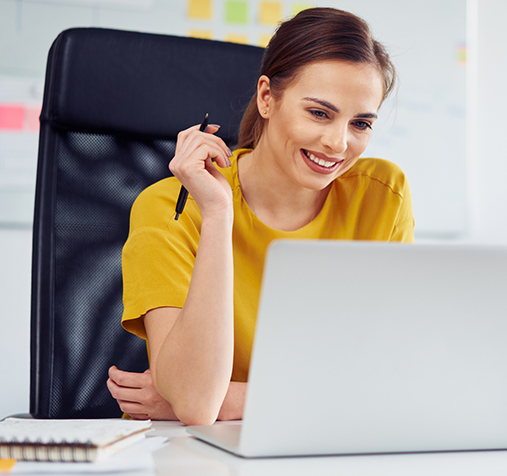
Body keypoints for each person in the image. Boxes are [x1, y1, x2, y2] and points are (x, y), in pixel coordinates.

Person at [106, 7, 414, 425]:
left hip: (322, 438)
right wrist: (218, 214)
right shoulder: (170, 206)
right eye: (319, 113)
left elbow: (390, 380)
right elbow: (197, 404)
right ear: (267, 97)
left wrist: (228, 401)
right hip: (189, 452)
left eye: (360, 123)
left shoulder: (382, 196)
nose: (338, 143)